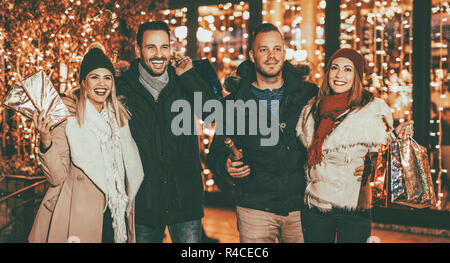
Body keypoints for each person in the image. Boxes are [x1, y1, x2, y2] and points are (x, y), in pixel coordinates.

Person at [207, 23, 318, 243]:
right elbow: (216, 153)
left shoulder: (308, 94)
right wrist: (226, 165)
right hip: (254, 208)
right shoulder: (234, 102)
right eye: (263, 49)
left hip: (301, 206)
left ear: (284, 53)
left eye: (277, 49)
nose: (271, 56)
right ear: (252, 55)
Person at [28, 43, 144, 243]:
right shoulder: (69, 119)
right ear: (83, 82)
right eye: (94, 77)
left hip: (114, 219)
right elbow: (56, 178)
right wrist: (46, 141)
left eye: (107, 77)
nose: (102, 84)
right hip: (78, 216)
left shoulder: (120, 119)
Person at [113, 21, 216, 243]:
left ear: (171, 49)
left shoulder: (185, 80)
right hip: (144, 202)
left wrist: (188, 77)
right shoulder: (123, 86)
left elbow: (213, 115)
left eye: (164, 47)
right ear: (138, 49)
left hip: (184, 197)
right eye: (151, 47)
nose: (159, 54)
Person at [296, 48, 394, 243]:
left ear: (357, 76)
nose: (340, 75)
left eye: (348, 69)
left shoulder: (371, 111)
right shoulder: (312, 109)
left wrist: (371, 167)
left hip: (352, 207)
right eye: (335, 68)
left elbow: (385, 156)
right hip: (315, 206)